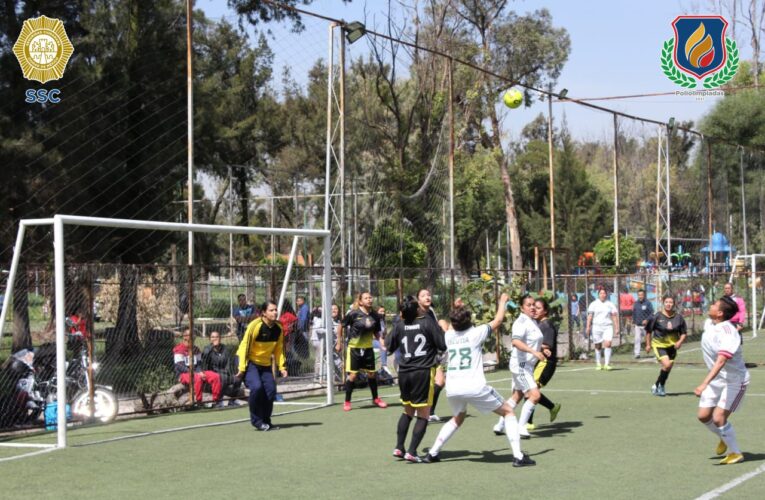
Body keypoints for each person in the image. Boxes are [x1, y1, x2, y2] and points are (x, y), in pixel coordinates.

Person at [422, 293, 535, 467]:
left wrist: (456, 308)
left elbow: (449, 323)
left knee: (458, 417)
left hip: (453, 388)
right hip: (474, 386)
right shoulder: (476, 333)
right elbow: (497, 320)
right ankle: (519, 456)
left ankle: (432, 453)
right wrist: (502, 301)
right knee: (508, 412)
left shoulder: (449, 336)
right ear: (469, 320)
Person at [386, 295, 447, 463]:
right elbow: (442, 345)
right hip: (423, 372)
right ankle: (412, 451)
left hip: (404, 372)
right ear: (417, 309)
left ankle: (399, 447)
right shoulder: (427, 322)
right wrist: (441, 328)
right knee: (424, 414)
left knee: (407, 411)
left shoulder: (399, 324)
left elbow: (389, 346)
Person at [694, 297, 749, 465]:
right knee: (703, 416)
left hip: (734, 380)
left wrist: (704, 383)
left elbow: (721, 361)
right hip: (717, 379)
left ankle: (735, 453)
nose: (710, 305)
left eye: (714, 305)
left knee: (718, 418)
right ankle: (724, 437)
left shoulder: (728, 332)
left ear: (720, 313)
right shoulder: (710, 324)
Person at [492, 294, 545, 438]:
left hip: (526, 364)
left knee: (517, 395)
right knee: (535, 395)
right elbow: (516, 342)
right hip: (521, 365)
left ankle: (500, 425)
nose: (533, 307)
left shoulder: (532, 321)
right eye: (529, 305)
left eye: (534, 304)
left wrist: (542, 349)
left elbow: (531, 341)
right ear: (522, 308)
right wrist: (534, 351)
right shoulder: (521, 321)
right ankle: (520, 427)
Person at [235, 300, 287, 431]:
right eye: (271, 310)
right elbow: (245, 347)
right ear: (263, 313)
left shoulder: (278, 328)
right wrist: (242, 369)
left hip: (264, 364)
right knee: (257, 388)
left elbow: (279, 349)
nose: (275, 312)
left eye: (275, 310)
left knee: (271, 390)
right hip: (248, 361)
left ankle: (266, 421)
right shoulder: (255, 326)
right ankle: (256, 421)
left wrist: (282, 367)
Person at [335, 291, 388, 411]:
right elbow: (340, 326)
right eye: (366, 298)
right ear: (360, 301)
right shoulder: (353, 314)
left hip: (368, 348)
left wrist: (381, 342)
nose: (369, 299)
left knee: (371, 374)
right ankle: (347, 401)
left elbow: (376, 332)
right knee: (353, 375)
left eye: (370, 297)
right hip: (354, 348)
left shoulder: (375, 315)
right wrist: (339, 342)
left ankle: (376, 399)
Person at [524, 298, 562, 429]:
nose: (534, 310)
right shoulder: (537, 324)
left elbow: (548, 346)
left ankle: (528, 422)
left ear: (545, 311)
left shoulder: (546, 325)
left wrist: (531, 346)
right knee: (529, 390)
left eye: (538, 308)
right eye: (533, 307)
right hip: (538, 362)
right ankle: (552, 407)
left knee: (531, 390)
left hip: (546, 363)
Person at [645, 295, 687, 396]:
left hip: (672, 347)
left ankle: (656, 385)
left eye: (671, 302)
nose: (669, 304)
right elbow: (648, 331)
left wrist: (679, 342)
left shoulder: (679, 317)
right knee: (667, 364)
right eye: (667, 302)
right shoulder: (656, 316)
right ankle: (661, 386)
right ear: (663, 303)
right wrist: (648, 344)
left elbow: (684, 333)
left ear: (674, 304)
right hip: (659, 345)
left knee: (668, 367)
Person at [415, 289, 446, 422]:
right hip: (420, 355)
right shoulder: (415, 314)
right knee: (425, 385)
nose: (427, 297)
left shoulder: (431, 312)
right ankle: (420, 410)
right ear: (418, 300)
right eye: (423, 296)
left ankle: (430, 412)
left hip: (433, 353)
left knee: (440, 382)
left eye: (428, 295)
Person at [173, 329, 223, 406]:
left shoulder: (196, 349)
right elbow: (180, 366)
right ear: (185, 337)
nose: (193, 337)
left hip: (196, 372)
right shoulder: (179, 349)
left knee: (215, 376)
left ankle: (216, 400)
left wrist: (200, 371)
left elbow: (199, 364)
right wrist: (195, 373)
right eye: (191, 335)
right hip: (183, 374)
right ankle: (198, 402)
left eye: (194, 335)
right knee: (197, 378)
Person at [201, 331, 242, 406]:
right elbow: (204, 358)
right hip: (213, 374)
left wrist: (230, 373)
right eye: (213, 337)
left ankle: (232, 400)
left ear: (220, 338)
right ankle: (218, 401)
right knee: (222, 378)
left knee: (238, 379)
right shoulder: (207, 349)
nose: (215, 339)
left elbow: (229, 363)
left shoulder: (225, 349)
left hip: (224, 372)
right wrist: (212, 346)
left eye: (217, 337)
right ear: (210, 339)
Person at [586, 288, 618, 370]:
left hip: (608, 327)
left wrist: (616, 327)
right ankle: (598, 363)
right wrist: (588, 327)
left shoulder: (610, 304)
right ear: (598, 294)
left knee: (608, 343)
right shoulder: (593, 304)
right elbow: (590, 316)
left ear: (606, 294)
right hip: (596, 327)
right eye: (601, 293)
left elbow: (614, 316)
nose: (603, 295)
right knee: (598, 345)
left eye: (604, 293)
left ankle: (607, 364)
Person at [310, 304, 340, 382]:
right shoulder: (320, 319)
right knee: (320, 359)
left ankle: (328, 376)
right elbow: (317, 329)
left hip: (325, 341)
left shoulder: (329, 319)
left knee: (326, 358)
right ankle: (318, 377)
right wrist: (328, 331)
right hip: (318, 341)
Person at [631, 289, 654, 359]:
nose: (640, 296)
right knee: (637, 339)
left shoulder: (648, 303)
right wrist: (634, 321)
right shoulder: (636, 303)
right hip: (638, 326)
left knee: (648, 340)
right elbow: (634, 313)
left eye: (642, 295)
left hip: (646, 326)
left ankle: (654, 350)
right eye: (639, 295)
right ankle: (637, 354)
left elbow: (651, 313)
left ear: (644, 295)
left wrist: (647, 320)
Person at [280, 300, 301, 376]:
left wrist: (291, 326)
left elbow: (296, 321)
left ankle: (290, 368)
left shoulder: (288, 314)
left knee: (288, 351)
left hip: (288, 335)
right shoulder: (279, 314)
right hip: (280, 335)